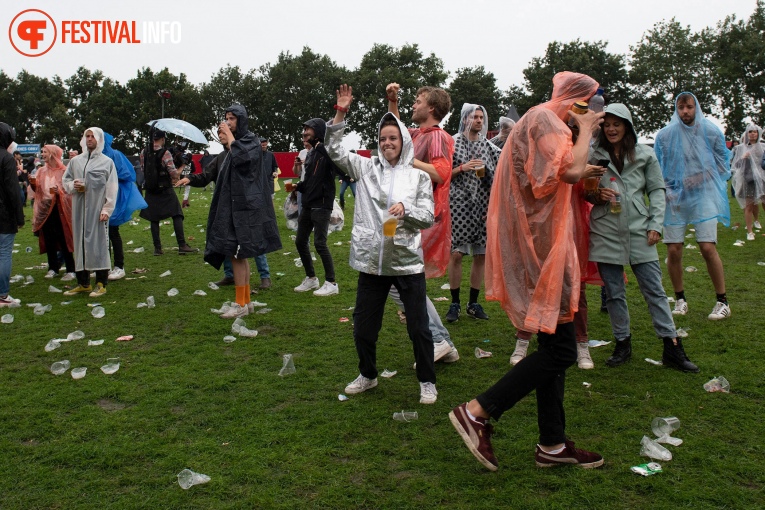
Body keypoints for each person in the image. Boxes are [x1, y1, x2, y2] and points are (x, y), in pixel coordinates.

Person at [449, 72, 605, 471]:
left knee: (554, 347)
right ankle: (478, 411)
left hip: (547, 248)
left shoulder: (543, 122)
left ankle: (552, 444)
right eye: (589, 107)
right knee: (563, 351)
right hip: (541, 252)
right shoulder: (546, 120)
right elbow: (565, 172)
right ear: (577, 101)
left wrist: (584, 170)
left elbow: (551, 178)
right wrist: (585, 132)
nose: (592, 115)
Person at [327, 85, 438, 404]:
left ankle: (427, 381)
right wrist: (341, 112)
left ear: (403, 141)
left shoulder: (418, 177)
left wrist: (407, 212)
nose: (388, 142)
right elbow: (334, 151)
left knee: (419, 328)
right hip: (371, 264)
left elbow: (428, 216)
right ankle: (368, 374)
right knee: (363, 328)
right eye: (384, 137)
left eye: (394, 137)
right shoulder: (365, 168)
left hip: (406, 264)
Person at [588, 103, 698, 372]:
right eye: (607, 124)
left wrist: (656, 225)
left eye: (617, 123)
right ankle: (622, 343)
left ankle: (672, 346)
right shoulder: (593, 154)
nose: (612, 129)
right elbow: (584, 191)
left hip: (640, 229)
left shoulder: (646, 155)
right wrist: (595, 195)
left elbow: (657, 191)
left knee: (655, 291)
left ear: (627, 125)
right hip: (605, 230)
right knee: (614, 292)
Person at [387, 82, 458, 363]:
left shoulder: (438, 136)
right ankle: (443, 343)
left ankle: (438, 339)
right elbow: (396, 129)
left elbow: (441, 173)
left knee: (399, 280)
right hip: (403, 215)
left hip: (422, 218)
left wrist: (408, 160)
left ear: (431, 108)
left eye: (418, 100)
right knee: (404, 281)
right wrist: (393, 100)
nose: (413, 104)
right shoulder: (418, 133)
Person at [654, 93, 731, 320]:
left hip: (703, 195)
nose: (685, 112)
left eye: (689, 107)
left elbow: (722, 164)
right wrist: (665, 189)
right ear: (676, 109)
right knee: (674, 249)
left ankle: (722, 300)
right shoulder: (666, 135)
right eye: (681, 107)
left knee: (707, 247)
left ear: (696, 107)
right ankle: (680, 299)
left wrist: (698, 178)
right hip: (675, 198)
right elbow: (657, 166)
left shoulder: (710, 131)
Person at [202, 104, 282, 319]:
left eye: (232, 119)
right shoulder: (234, 146)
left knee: (237, 254)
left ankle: (240, 304)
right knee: (240, 254)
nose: (228, 122)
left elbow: (243, 160)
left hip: (245, 208)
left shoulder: (251, 141)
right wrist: (228, 141)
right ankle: (245, 301)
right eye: (226, 118)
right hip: (235, 205)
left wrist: (229, 137)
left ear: (242, 120)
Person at [178, 138, 273, 291]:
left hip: (247, 207)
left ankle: (265, 276)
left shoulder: (247, 154)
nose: (220, 136)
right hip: (227, 207)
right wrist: (189, 178)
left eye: (223, 132)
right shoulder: (221, 157)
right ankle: (230, 275)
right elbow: (206, 175)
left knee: (253, 241)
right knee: (227, 242)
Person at [445, 104, 500, 322]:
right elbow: (441, 173)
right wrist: (462, 168)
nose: (478, 120)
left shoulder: (489, 147)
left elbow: (497, 178)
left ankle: (473, 303)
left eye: (481, 117)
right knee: (457, 253)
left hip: (484, 207)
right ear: (464, 119)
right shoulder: (452, 143)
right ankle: (455, 303)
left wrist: (486, 173)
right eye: (474, 117)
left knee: (481, 254)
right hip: (459, 205)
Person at [62, 128, 118, 297]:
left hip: (97, 209)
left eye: (93, 136)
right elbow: (66, 180)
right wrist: (74, 186)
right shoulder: (76, 162)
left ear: (99, 139)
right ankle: (83, 282)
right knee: (80, 244)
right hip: (79, 210)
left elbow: (112, 187)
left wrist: (107, 209)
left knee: (99, 244)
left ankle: (101, 282)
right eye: (87, 136)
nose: (89, 139)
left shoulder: (106, 162)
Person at [293, 118, 339, 297]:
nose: (304, 134)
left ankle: (331, 282)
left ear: (318, 132)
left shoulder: (325, 150)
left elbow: (336, 167)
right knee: (300, 241)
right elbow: (310, 179)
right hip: (308, 203)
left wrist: (321, 146)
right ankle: (311, 278)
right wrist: (299, 187)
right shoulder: (310, 154)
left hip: (322, 204)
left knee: (320, 243)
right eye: (303, 132)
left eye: (308, 131)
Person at [139, 129, 197, 256]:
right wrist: (183, 164)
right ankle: (182, 245)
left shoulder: (144, 152)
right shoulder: (165, 153)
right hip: (165, 188)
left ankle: (157, 248)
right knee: (177, 214)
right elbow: (175, 175)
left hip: (150, 188)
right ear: (163, 139)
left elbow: (143, 169)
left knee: (154, 218)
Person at [102, 132, 147, 281]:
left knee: (112, 231)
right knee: (101, 234)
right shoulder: (92, 156)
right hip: (98, 198)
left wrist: (109, 176)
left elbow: (127, 174)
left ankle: (119, 266)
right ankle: (104, 266)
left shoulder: (114, 154)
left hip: (114, 196)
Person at [30, 145, 76, 282]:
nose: (42, 154)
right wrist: (33, 184)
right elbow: (38, 190)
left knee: (64, 238)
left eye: (45, 152)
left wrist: (59, 192)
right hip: (45, 209)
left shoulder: (64, 171)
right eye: (42, 152)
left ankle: (70, 268)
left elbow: (69, 190)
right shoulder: (41, 171)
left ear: (53, 154)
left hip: (59, 209)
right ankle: (53, 267)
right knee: (48, 238)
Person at [0, 123, 24, 307]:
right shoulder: (6, 158)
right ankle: (2, 295)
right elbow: (12, 190)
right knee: (4, 253)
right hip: (4, 213)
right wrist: (19, 216)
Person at [731, 125, 765, 241]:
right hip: (748, 180)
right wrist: (743, 158)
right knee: (749, 205)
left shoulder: (763, 147)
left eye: (755, 132)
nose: (753, 134)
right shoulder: (741, 148)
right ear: (747, 133)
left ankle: (757, 221)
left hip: (762, 179)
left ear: (758, 133)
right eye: (750, 132)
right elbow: (735, 165)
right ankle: (750, 231)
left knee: (764, 203)